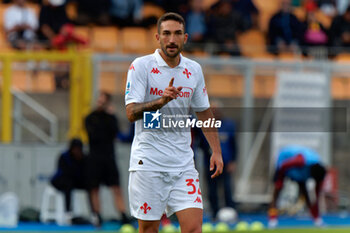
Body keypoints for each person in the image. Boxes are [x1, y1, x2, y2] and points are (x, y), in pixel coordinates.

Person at [125, 12, 223, 233]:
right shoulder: (141, 66)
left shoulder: (193, 70)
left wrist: (216, 151)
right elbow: (131, 113)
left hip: (183, 164)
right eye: (166, 34)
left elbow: (204, 113)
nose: (172, 39)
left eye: (177, 33)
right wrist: (160, 102)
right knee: (149, 229)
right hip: (148, 163)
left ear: (185, 37)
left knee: (194, 229)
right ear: (157, 37)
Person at [85, 92, 130, 227]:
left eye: (102, 101)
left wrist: (111, 116)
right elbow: (93, 136)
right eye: (99, 101)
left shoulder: (111, 118)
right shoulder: (90, 118)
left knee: (116, 187)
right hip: (94, 158)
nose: (100, 103)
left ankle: (123, 215)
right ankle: (97, 215)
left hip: (109, 158)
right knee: (94, 189)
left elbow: (115, 132)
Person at [193, 102, 237, 221]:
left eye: (216, 110)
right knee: (212, 190)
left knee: (227, 189)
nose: (214, 112)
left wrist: (233, 161)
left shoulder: (228, 125)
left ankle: (232, 212)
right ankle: (214, 213)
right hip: (210, 164)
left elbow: (233, 144)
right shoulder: (202, 126)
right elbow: (198, 143)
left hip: (226, 163)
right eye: (212, 110)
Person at [268, 145, 327, 228]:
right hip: (284, 164)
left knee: (306, 194)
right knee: (277, 191)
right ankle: (272, 220)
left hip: (299, 172)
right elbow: (283, 165)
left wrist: (315, 205)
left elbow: (316, 197)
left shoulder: (318, 173)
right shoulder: (301, 161)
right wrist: (280, 180)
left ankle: (317, 219)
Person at [51, 138, 88, 223]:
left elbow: (85, 173)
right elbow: (64, 172)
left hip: (75, 181)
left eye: (78, 149)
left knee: (91, 185)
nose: (77, 151)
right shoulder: (64, 156)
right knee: (68, 185)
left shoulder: (84, 158)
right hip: (60, 181)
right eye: (75, 149)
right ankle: (68, 214)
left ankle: (94, 214)